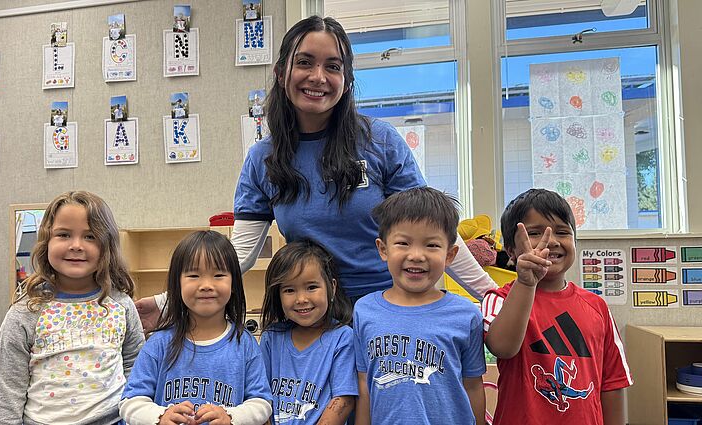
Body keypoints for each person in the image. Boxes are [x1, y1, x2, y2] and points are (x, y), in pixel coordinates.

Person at [135, 15, 496, 330]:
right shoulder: (263, 159)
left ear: (347, 79)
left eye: (333, 66)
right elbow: (240, 255)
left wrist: (492, 295)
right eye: (305, 63)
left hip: (395, 308)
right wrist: (167, 301)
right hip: (314, 314)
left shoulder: (381, 141)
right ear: (281, 73)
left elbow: (435, 231)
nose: (318, 77)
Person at [0, 191, 145, 425]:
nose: (76, 246)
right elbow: (8, 391)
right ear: (46, 242)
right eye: (63, 234)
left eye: (91, 236)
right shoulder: (25, 312)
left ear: (108, 246)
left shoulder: (121, 305)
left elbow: (136, 370)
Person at [481, 189, 632, 424]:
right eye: (534, 233)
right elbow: (502, 347)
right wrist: (525, 282)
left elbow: (612, 381)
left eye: (562, 232)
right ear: (510, 250)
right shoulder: (499, 298)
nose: (551, 241)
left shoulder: (597, 306)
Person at [353, 187, 486, 425]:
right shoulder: (364, 310)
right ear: (383, 249)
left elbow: (473, 386)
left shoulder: (467, 315)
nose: (416, 255)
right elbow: (365, 385)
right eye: (403, 243)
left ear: (450, 255)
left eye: (431, 245)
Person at [120, 231, 272, 425]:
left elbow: (262, 403)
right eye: (193, 275)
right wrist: (159, 417)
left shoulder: (245, 343)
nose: (206, 285)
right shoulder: (158, 343)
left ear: (234, 282)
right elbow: (129, 402)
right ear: (177, 284)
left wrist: (232, 417)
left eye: (218, 275)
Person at [259, 239, 356, 424]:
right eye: (289, 290)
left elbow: (344, 399)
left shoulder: (343, 338)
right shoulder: (271, 337)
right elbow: (259, 395)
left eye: (311, 287)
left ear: (332, 287)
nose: (301, 299)